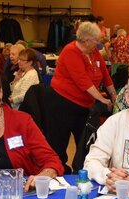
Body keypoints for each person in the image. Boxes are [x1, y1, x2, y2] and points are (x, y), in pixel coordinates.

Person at [46, 21, 116, 174]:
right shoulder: (70, 51)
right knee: (60, 142)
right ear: (86, 40)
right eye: (96, 40)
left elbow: (105, 74)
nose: (98, 44)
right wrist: (102, 99)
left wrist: (114, 94)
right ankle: (60, 172)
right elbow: (83, 81)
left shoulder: (93, 52)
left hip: (84, 105)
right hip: (63, 103)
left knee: (84, 141)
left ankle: (83, 170)